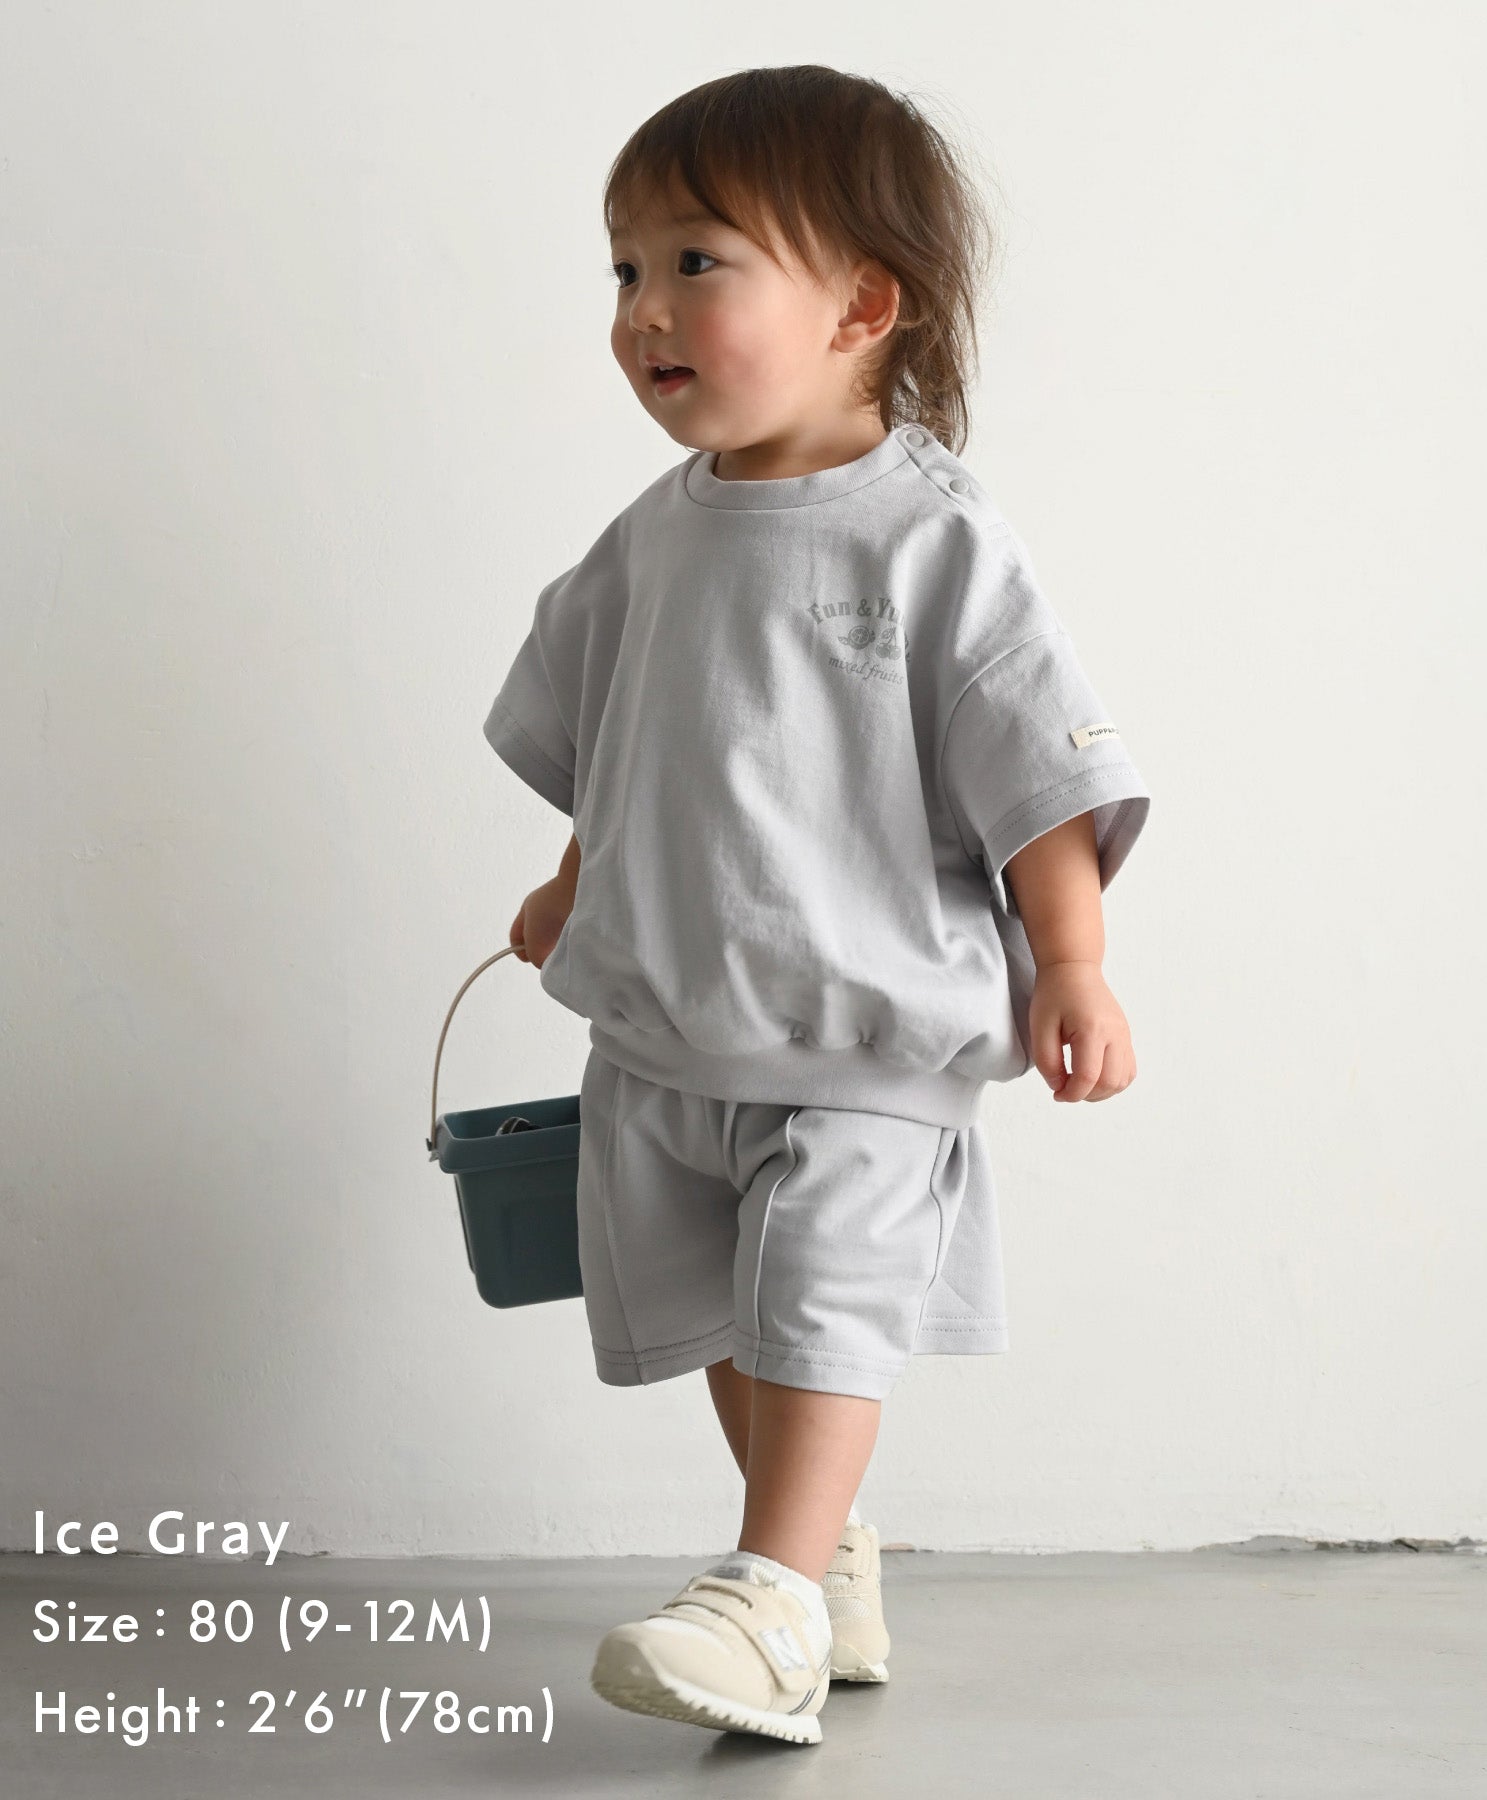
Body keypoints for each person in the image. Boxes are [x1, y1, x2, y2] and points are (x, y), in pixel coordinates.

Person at [484, 66, 1151, 1747]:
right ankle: (819, 1559)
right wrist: (572, 885)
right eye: (626, 269)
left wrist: (1072, 958)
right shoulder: (647, 544)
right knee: (730, 1309)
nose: (645, 309)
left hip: (866, 1031)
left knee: (821, 1299)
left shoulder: (931, 541)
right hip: (671, 1029)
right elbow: (626, 746)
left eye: (695, 262)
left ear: (860, 305)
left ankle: (769, 1594)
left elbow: (1035, 771)